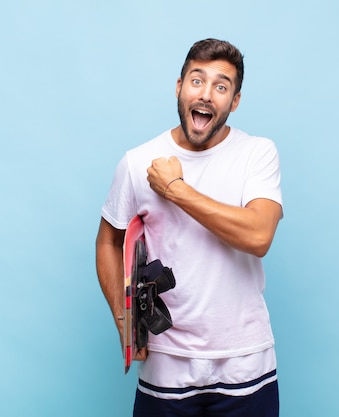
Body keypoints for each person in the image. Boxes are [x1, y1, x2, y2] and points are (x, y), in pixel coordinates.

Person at [96, 38, 283, 417]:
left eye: (221, 86)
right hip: (166, 366)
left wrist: (175, 190)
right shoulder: (137, 162)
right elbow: (108, 242)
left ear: (235, 101)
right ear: (179, 86)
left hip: (246, 361)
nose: (207, 94)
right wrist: (124, 319)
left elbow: (259, 236)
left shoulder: (257, 154)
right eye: (197, 80)